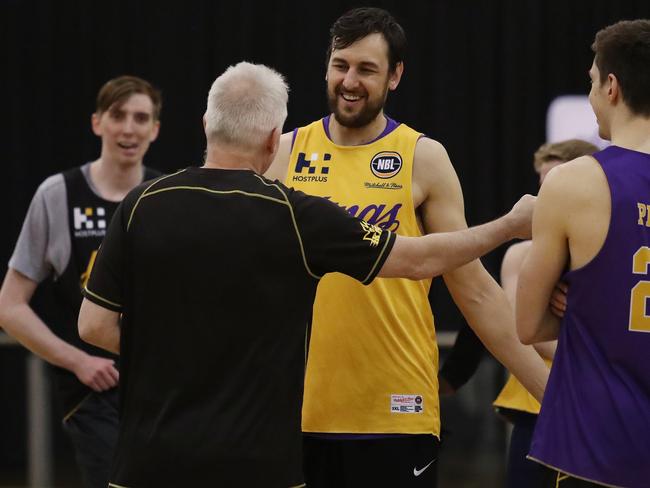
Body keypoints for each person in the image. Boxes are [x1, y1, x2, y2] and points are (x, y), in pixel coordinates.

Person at [78, 61, 535, 488]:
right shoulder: (294, 215)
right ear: (273, 139)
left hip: (148, 460)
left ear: (205, 123)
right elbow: (418, 259)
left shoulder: (140, 205)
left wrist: (175, 351)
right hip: (257, 462)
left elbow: (93, 326)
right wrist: (509, 225)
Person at [264, 7, 548, 487]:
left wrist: (552, 393)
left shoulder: (423, 156)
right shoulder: (284, 153)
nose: (349, 81)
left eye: (367, 69)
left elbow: (474, 288)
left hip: (396, 410)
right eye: (341, 65)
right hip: (297, 412)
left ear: (395, 76)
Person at [0, 75, 161, 488]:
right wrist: (77, 361)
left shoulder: (165, 196)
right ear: (97, 123)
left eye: (141, 118)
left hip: (161, 388)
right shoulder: (57, 195)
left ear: (155, 129)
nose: (129, 128)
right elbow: (10, 305)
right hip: (92, 390)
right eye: (118, 115)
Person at [517, 19, 650, 488]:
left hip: (598, 449)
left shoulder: (573, 182)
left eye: (592, 82)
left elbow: (529, 325)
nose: (592, 96)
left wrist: (587, 307)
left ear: (612, 86)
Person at [491, 139, 598, 488]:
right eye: (541, 184)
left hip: (597, 405)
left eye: (554, 184)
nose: (544, 197)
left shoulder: (608, 251)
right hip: (536, 404)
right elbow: (522, 333)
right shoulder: (521, 256)